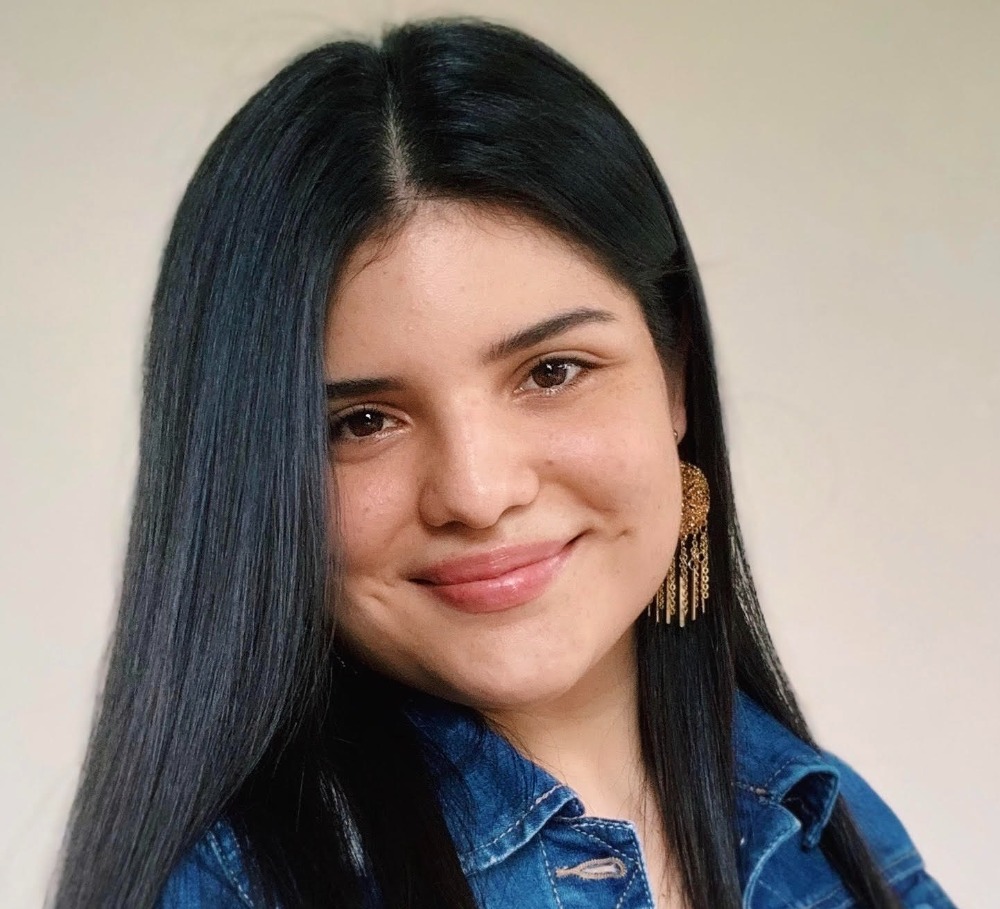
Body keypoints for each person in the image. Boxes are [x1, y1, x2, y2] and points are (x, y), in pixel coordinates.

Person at [52, 17, 955, 909]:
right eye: (363, 421)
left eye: (551, 372)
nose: (478, 493)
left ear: (675, 371)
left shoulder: (828, 827)